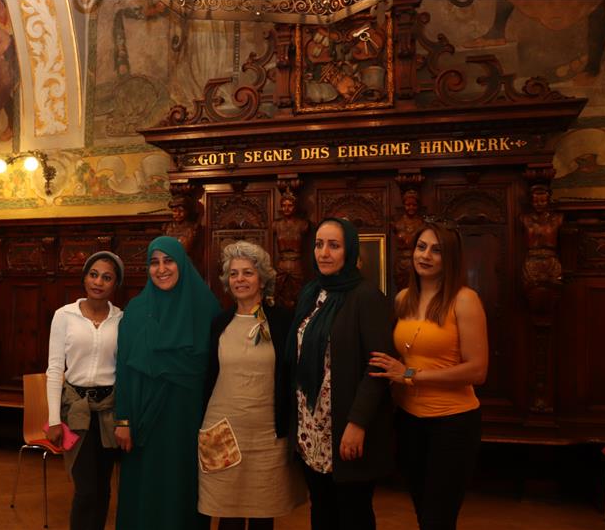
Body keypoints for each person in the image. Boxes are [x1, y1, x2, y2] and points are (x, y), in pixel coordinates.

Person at [369, 218, 488, 530]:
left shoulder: (464, 299)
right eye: (421, 247)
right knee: (423, 512)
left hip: (453, 423)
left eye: (436, 250)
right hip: (409, 421)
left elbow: (478, 370)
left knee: (438, 518)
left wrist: (411, 375)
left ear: (450, 258)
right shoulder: (402, 299)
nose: (425, 255)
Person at [289, 217, 395, 530]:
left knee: (353, 514)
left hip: (346, 426)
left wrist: (358, 423)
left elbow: (378, 366)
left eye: (334, 246)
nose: (324, 253)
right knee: (321, 509)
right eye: (319, 245)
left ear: (349, 251)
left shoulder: (366, 296)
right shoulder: (311, 293)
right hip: (312, 427)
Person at [114, 236, 220, 530]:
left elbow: (217, 373)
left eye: (168, 261)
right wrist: (123, 420)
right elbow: (124, 369)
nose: (161, 269)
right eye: (154, 263)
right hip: (143, 419)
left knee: (182, 490)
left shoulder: (207, 309)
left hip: (188, 421)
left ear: (182, 264)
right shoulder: (135, 311)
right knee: (144, 491)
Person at [200, 241, 306, 530]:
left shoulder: (283, 322)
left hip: (267, 437)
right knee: (227, 514)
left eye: (247, 272)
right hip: (223, 430)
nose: (240, 279)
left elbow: (293, 376)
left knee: (263, 514)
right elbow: (209, 376)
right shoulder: (219, 323)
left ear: (262, 279)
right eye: (234, 274)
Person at [45, 251, 125, 530]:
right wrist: (53, 420)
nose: (98, 282)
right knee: (86, 488)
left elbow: (124, 371)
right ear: (84, 278)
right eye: (93, 275)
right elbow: (55, 368)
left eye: (107, 277)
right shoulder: (64, 315)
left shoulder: (122, 319)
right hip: (75, 410)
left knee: (102, 488)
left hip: (108, 412)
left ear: (115, 284)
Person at [521, 185, 563, 290]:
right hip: (531, 260)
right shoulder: (524, 218)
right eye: (535, 201)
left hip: (551, 261)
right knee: (531, 291)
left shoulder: (557, 218)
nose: (539, 204)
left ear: (548, 201)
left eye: (543, 201)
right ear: (531, 202)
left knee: (554, 291)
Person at [273, 190, 309, 310]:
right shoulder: (276, 225)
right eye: (284, 205)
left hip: (296, 264)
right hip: (281, 264)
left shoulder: (303, 224)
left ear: (295, 206)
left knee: (299, 294)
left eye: (290, 205)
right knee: (279, 294)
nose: (286, 208)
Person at [393, 189, 425, 291]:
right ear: (404, 205)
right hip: (402, 264)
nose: (411, 207)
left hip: (417, 261)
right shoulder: (398, 224)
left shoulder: (422, 223)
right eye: (408, 205)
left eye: (414, 205)